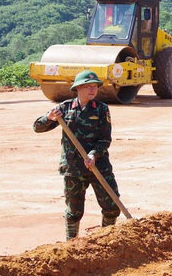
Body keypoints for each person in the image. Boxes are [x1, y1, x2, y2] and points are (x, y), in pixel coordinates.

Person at [34, 70, 121, 240]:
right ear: (78, 88)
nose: (92, 89)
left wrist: (94, 155)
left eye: (95, 86)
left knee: (112, 206)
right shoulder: (64, 108)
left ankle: (107, 241)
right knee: (73, 212)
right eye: (88, 86)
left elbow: (105, 139)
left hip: (98, 166)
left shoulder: (102, 109)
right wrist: (49, 117)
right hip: (73, 168)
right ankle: (72, 246)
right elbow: (37, 128)